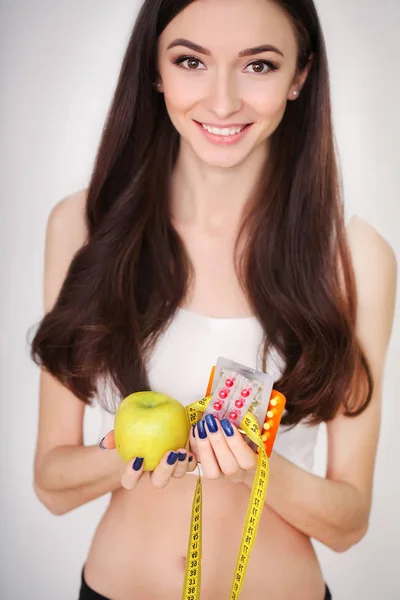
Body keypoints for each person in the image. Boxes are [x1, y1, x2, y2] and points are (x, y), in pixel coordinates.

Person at [30, 0, 397, 599]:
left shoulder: (354, 260)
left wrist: (256, 467)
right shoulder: (82, 226)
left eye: (258, 66)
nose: (222, 102)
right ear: (154, 69)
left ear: (300, 75)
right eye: (191, 61)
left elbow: (350, 522)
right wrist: (141, 450)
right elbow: (51, 482)